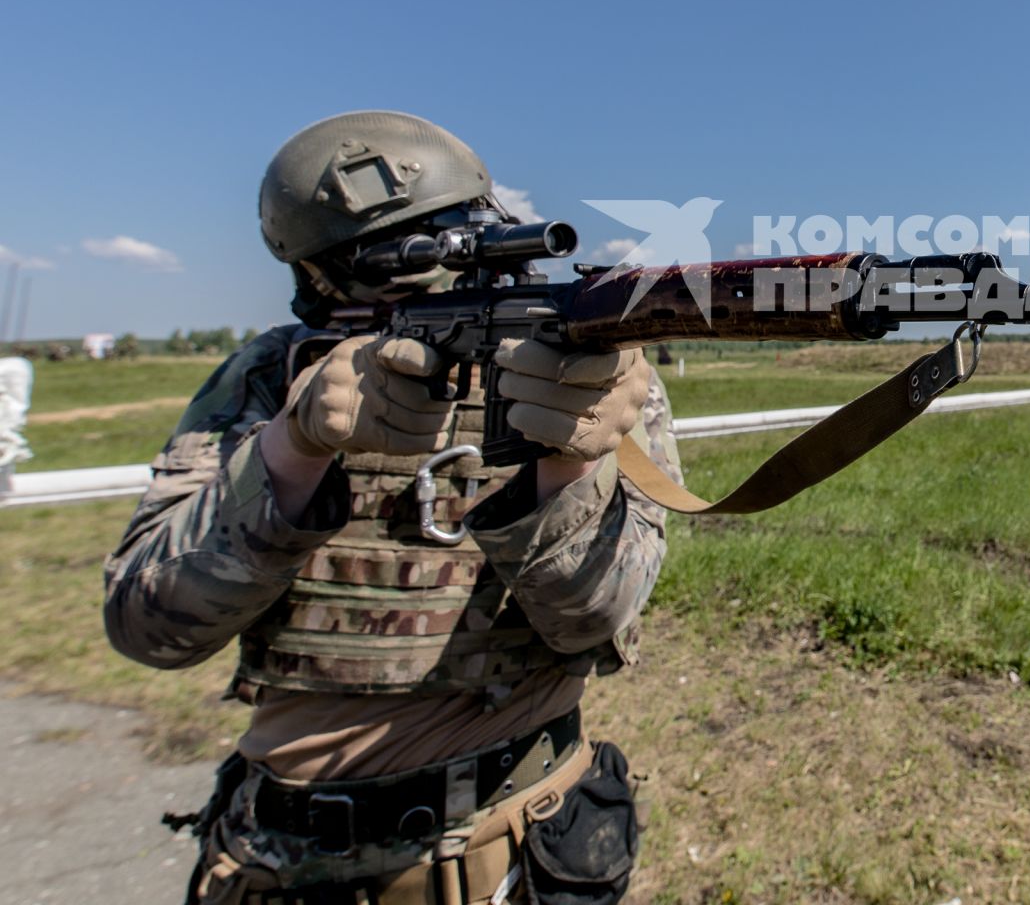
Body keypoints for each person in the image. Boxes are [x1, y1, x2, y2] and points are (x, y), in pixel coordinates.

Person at [103, 111, 681, 904]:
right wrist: (295, 448)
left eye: (457, 235)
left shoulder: (581, 373)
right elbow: (146, 625)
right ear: (322, 278)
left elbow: (594, 618)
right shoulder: (273, 379)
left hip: (525, 844)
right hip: (286, 860)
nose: (442, 267)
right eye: (398, 256)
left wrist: (563, 466)